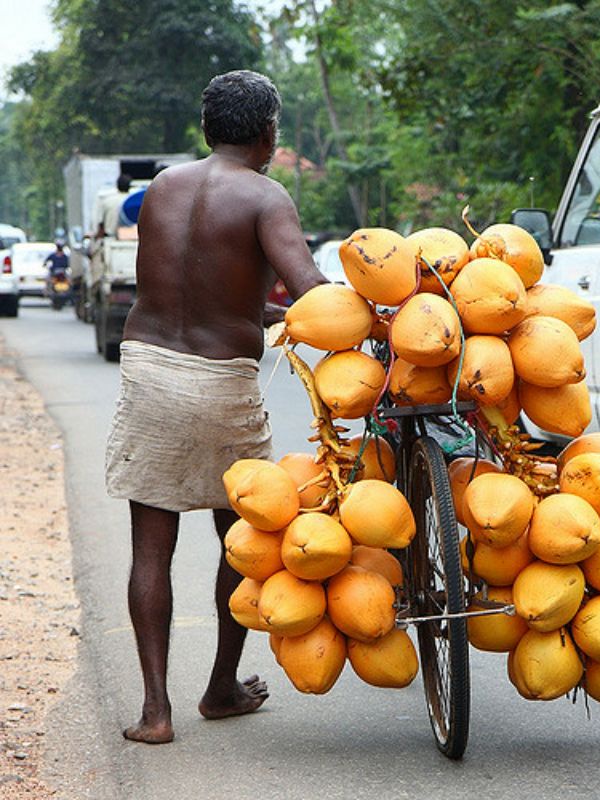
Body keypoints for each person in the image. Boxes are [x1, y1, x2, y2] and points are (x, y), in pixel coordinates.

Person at [105, 70, 327, 744]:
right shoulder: (266, 195)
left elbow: (190, 291)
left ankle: (154, 712)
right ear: (268, 133)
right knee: (243, 538)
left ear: (207, 131)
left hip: (147, 370)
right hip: (221, 387)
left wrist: (261, 313)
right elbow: (311, 288)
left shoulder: (165, 188)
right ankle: (222, 687)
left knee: (152, 549)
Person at [94, 173, 132, 240]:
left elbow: (101, 225)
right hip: (132, 238)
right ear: (129, 186)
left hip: (110, 239)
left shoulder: (107, 201)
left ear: (117, 185)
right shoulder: (133, 201)